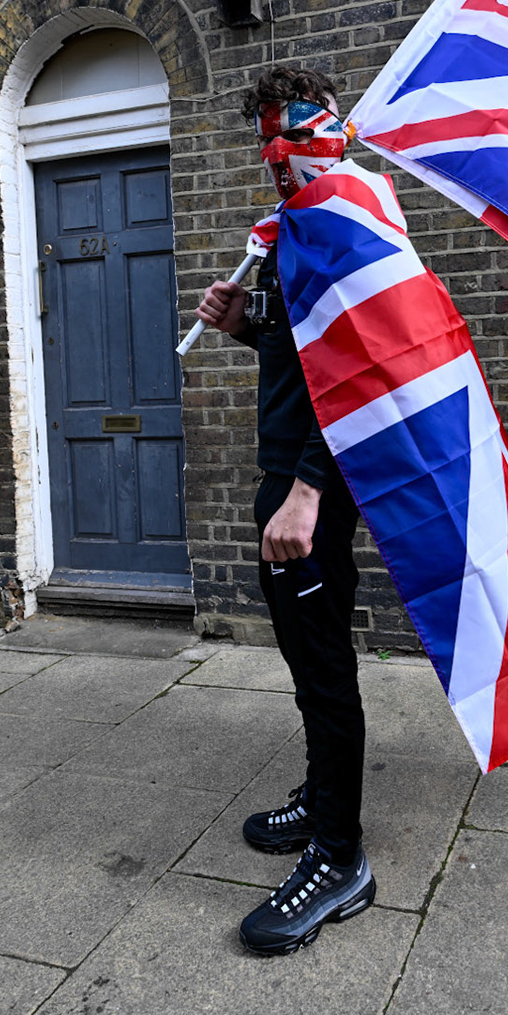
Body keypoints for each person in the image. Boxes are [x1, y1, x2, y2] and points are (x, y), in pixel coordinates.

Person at [193, 67, 377, 956]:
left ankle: (340, 861)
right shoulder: (293, 234)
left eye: (288, 139)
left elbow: (355, 368)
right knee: (307, 660)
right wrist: (240, 324)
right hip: (288, 472)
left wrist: (306, 491)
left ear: (323, 133)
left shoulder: (347, 223)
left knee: (324, 660)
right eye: (265, 141)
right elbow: (296, 347)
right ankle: (320, 799)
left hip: (315, 480)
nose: (276, 159)